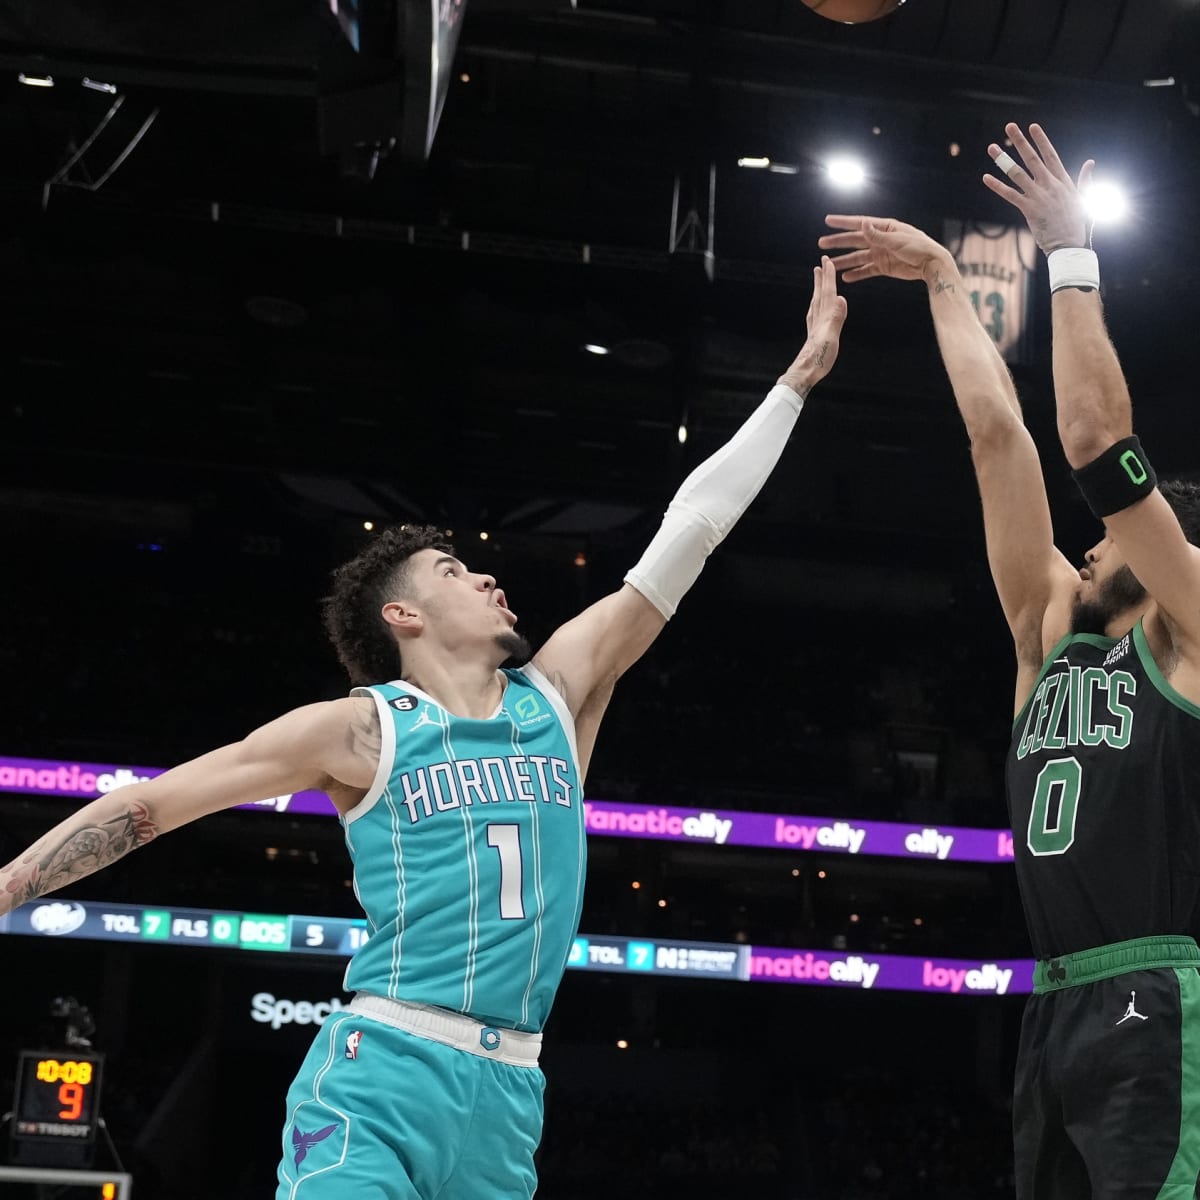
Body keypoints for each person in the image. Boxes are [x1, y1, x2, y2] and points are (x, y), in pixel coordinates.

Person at [0, 258, 847, 1199]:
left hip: (511, 1094)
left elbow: (690, 532)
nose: (487, 577)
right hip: (384, 1068)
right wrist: (10, 885)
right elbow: (155, 806)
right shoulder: (362, 730)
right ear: (401, 618)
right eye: (452, 571)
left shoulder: (557, 694)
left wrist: (793, 385)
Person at [818, 125, 1200, 1199]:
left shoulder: (1193, 628)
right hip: (1056, 997)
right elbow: (999, 438)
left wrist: (1070, 252)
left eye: (1108, 531)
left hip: (1166, 993)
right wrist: (945, 279)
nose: (1083, 543)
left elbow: (1087, 439)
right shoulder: (1047, 631)